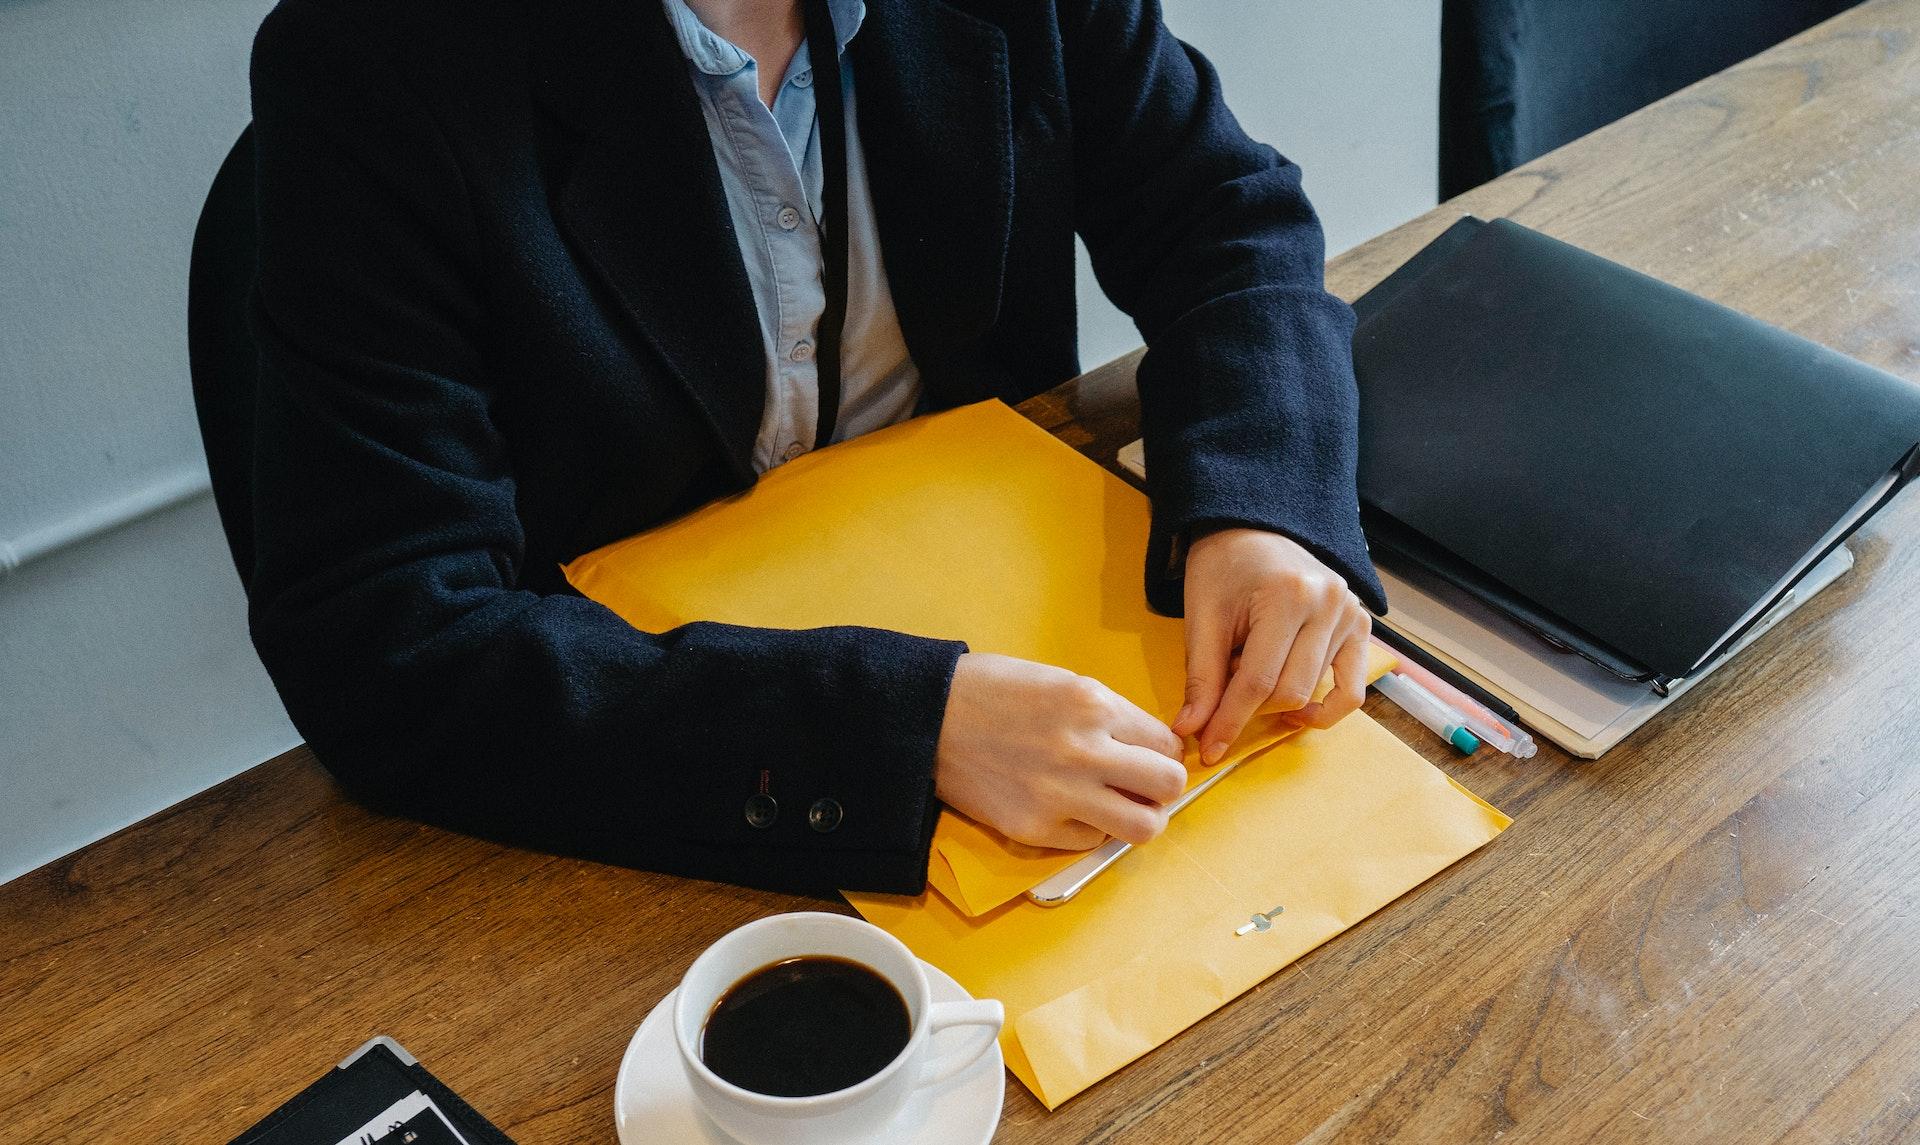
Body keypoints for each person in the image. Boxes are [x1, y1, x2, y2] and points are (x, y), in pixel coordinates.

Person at [239, 0, 1387, 896]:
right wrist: (904, 730)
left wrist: (1262, 502)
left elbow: (1222, 217)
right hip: (651, 779)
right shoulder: (367, 60)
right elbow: (384, 640)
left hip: (1011, 634)